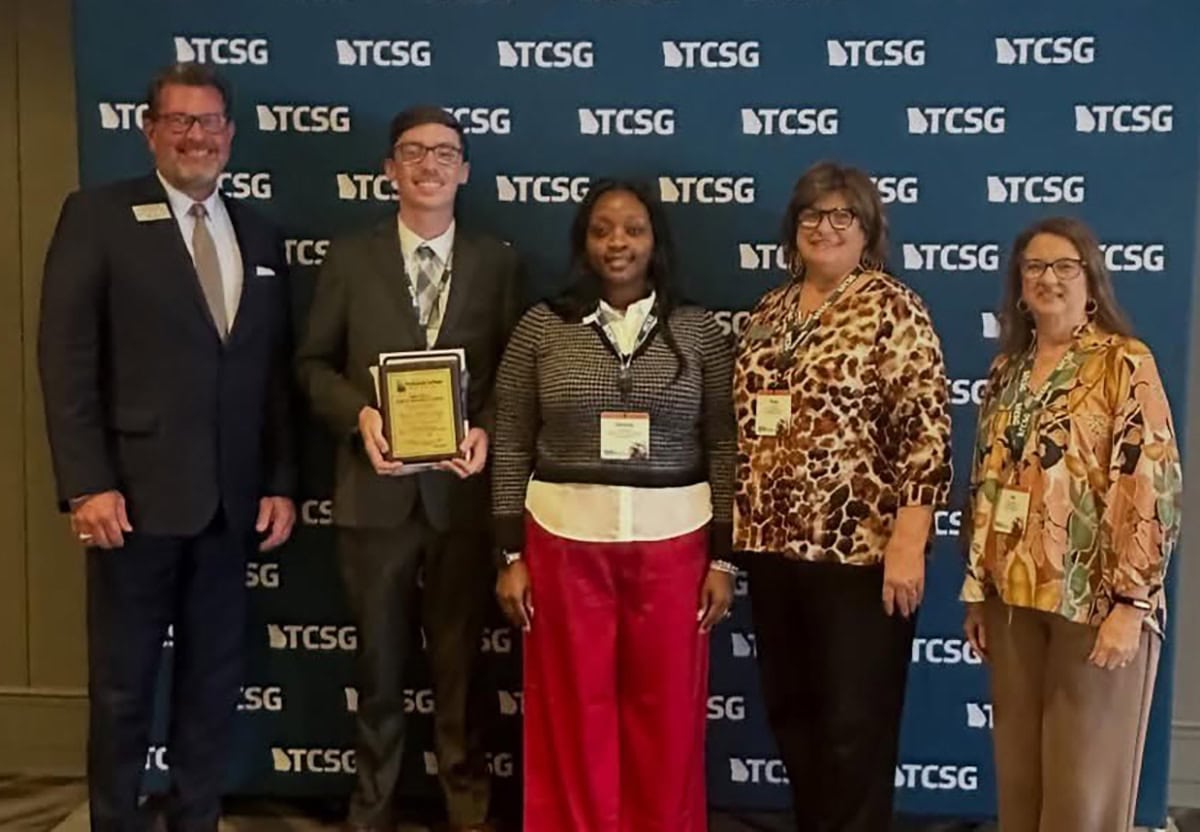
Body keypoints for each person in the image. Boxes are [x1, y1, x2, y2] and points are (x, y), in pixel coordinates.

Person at [37, 62, 296, 832]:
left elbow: (271, 373)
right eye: (180, 121)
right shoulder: (97, 216)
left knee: (212, 683)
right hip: (133, 499)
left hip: (230, 503)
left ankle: (197, 819)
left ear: (231, 135)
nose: (196, 136)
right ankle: (113, 822)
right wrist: (86, 484)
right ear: (149, 130)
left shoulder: (261, 233)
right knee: (122, 686)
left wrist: (280, 480)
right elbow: (67, 358)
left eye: (210, 122)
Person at [295, 106, 522, 832]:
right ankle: (372, 812)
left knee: (462, 676)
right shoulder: (350, 258)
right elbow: (311, 364)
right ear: (389, 170)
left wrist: (486, 427)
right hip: (375, 497)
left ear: (465, 170)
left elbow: (514, 374)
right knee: (379, 674)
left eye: (445, 152)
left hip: (460, 499)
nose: (429, 164)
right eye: (413, 152)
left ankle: (468, 812)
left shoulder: (499, 261)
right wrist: (358, 416)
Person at [491, 178, 735, 832]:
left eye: (632, 228)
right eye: (602, 230)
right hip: (564, 541)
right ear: (583, 242)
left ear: (656, 240)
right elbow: (511, 438)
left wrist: (724, 560)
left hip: (675, 544)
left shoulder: (700, 331)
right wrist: (511, 552)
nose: (617, 242)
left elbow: (724, 442)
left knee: (666, 718)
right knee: (575, 714)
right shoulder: (541, 328)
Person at [732, 161, 952, 831]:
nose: (824, 228)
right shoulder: (771, 308)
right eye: (811, 215)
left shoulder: (892, 306)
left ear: (867, 230)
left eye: (841, 216)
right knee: (794, 715)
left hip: (860, 555)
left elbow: (926, 429)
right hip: (773, 548)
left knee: (854, 728)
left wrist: (908, 543)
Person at [960, 216, 1182, 832]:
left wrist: (1132, 604)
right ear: (1018, 284)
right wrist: (978, 590)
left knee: (1081, 796)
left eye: (1064, 266)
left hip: (1096, 605)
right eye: (1034, 267)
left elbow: (1151, 484)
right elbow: (986, 484)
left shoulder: (1123, 363)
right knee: (1021, 786)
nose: (1048, 279)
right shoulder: (1006, 372)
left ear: (1090, 280)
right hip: (1014, 600)